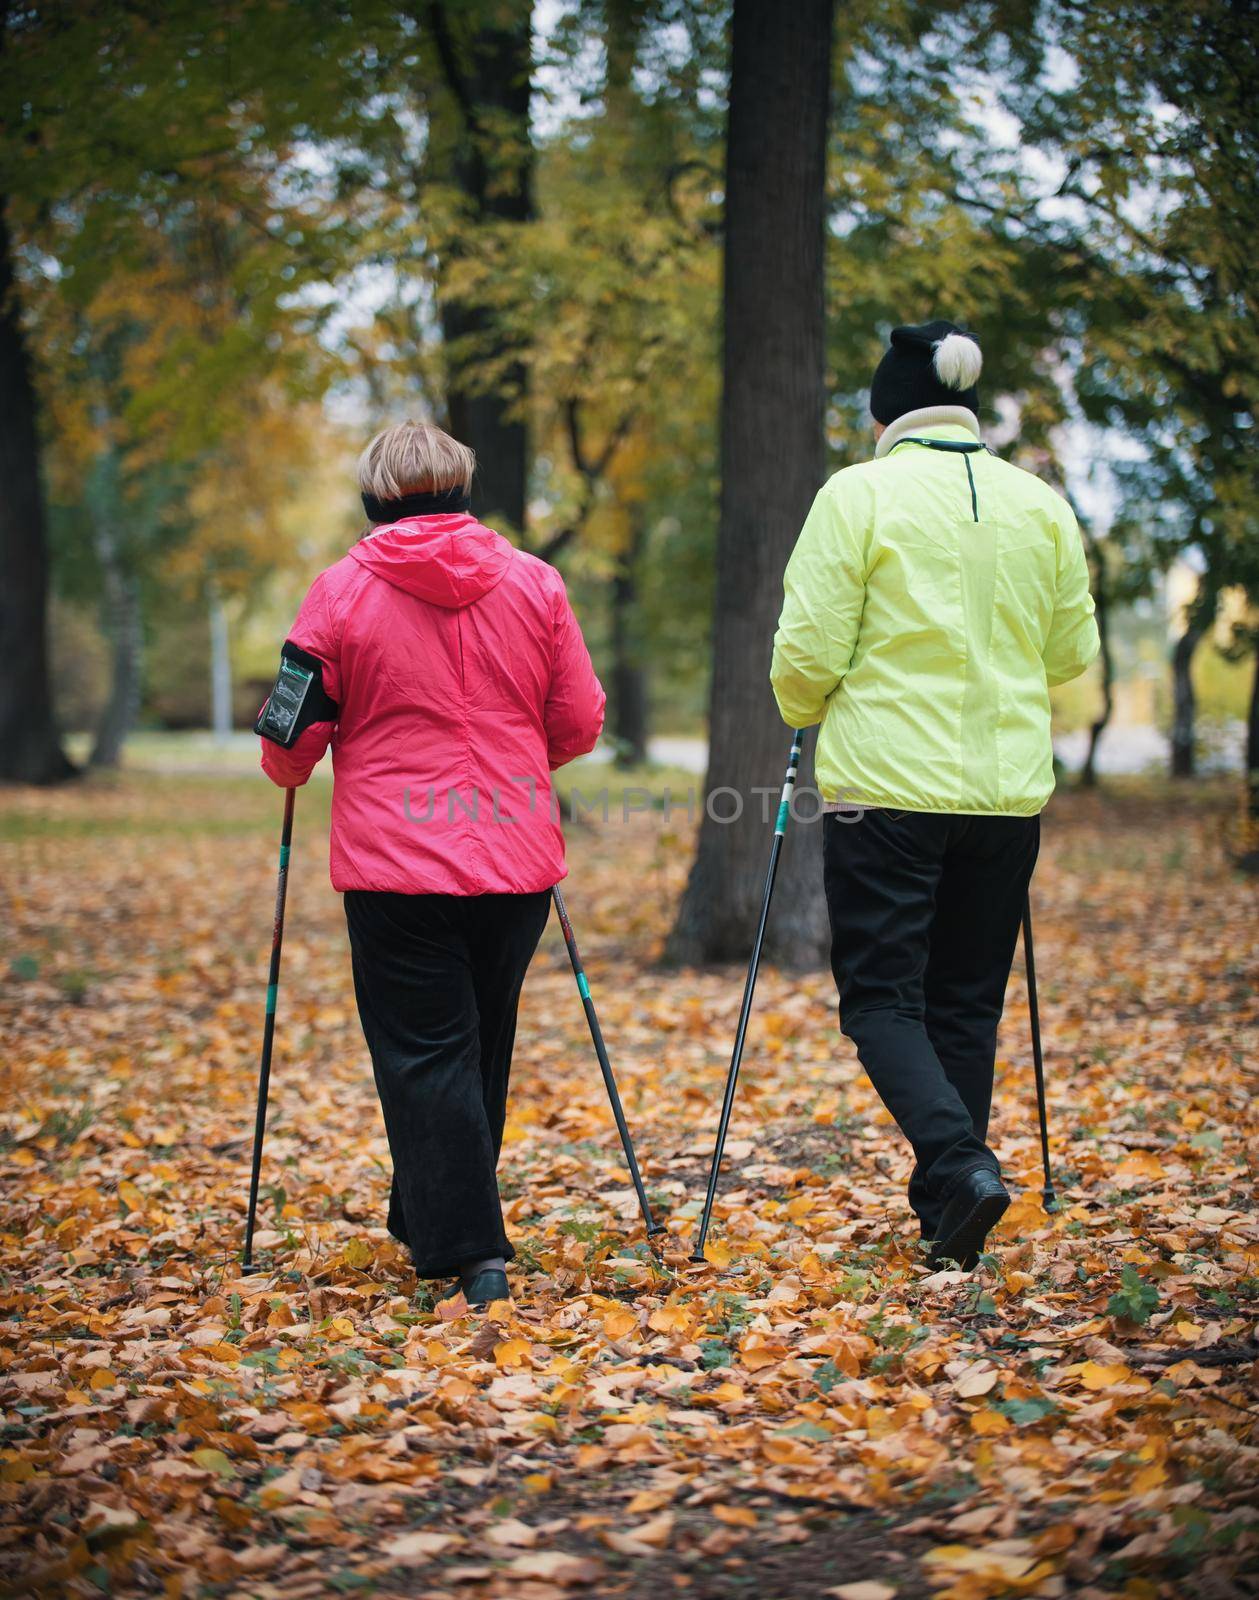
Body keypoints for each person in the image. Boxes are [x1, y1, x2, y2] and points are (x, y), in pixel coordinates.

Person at [770, 320, 1099, 1269]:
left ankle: (959, 1165)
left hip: (888, 793)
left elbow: (808, 654)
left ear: (884, 415)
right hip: (1002, 799)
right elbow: (1071, 652)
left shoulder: (857, 495)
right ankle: (949, 1213)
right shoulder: (1037, 502)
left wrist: (802, 702)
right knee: (963, 1002)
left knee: (879, 999)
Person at [257, 421, 605, 1307]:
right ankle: (431, 1208)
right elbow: (577, 721)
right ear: (463, 485)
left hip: (395, 865)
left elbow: (290, 736)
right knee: (477, 1045)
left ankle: (466, 1250)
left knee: (425, 1054)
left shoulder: (337, 594)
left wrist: (292, 763)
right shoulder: (536, 583)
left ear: (376, 497)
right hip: (514, 859)